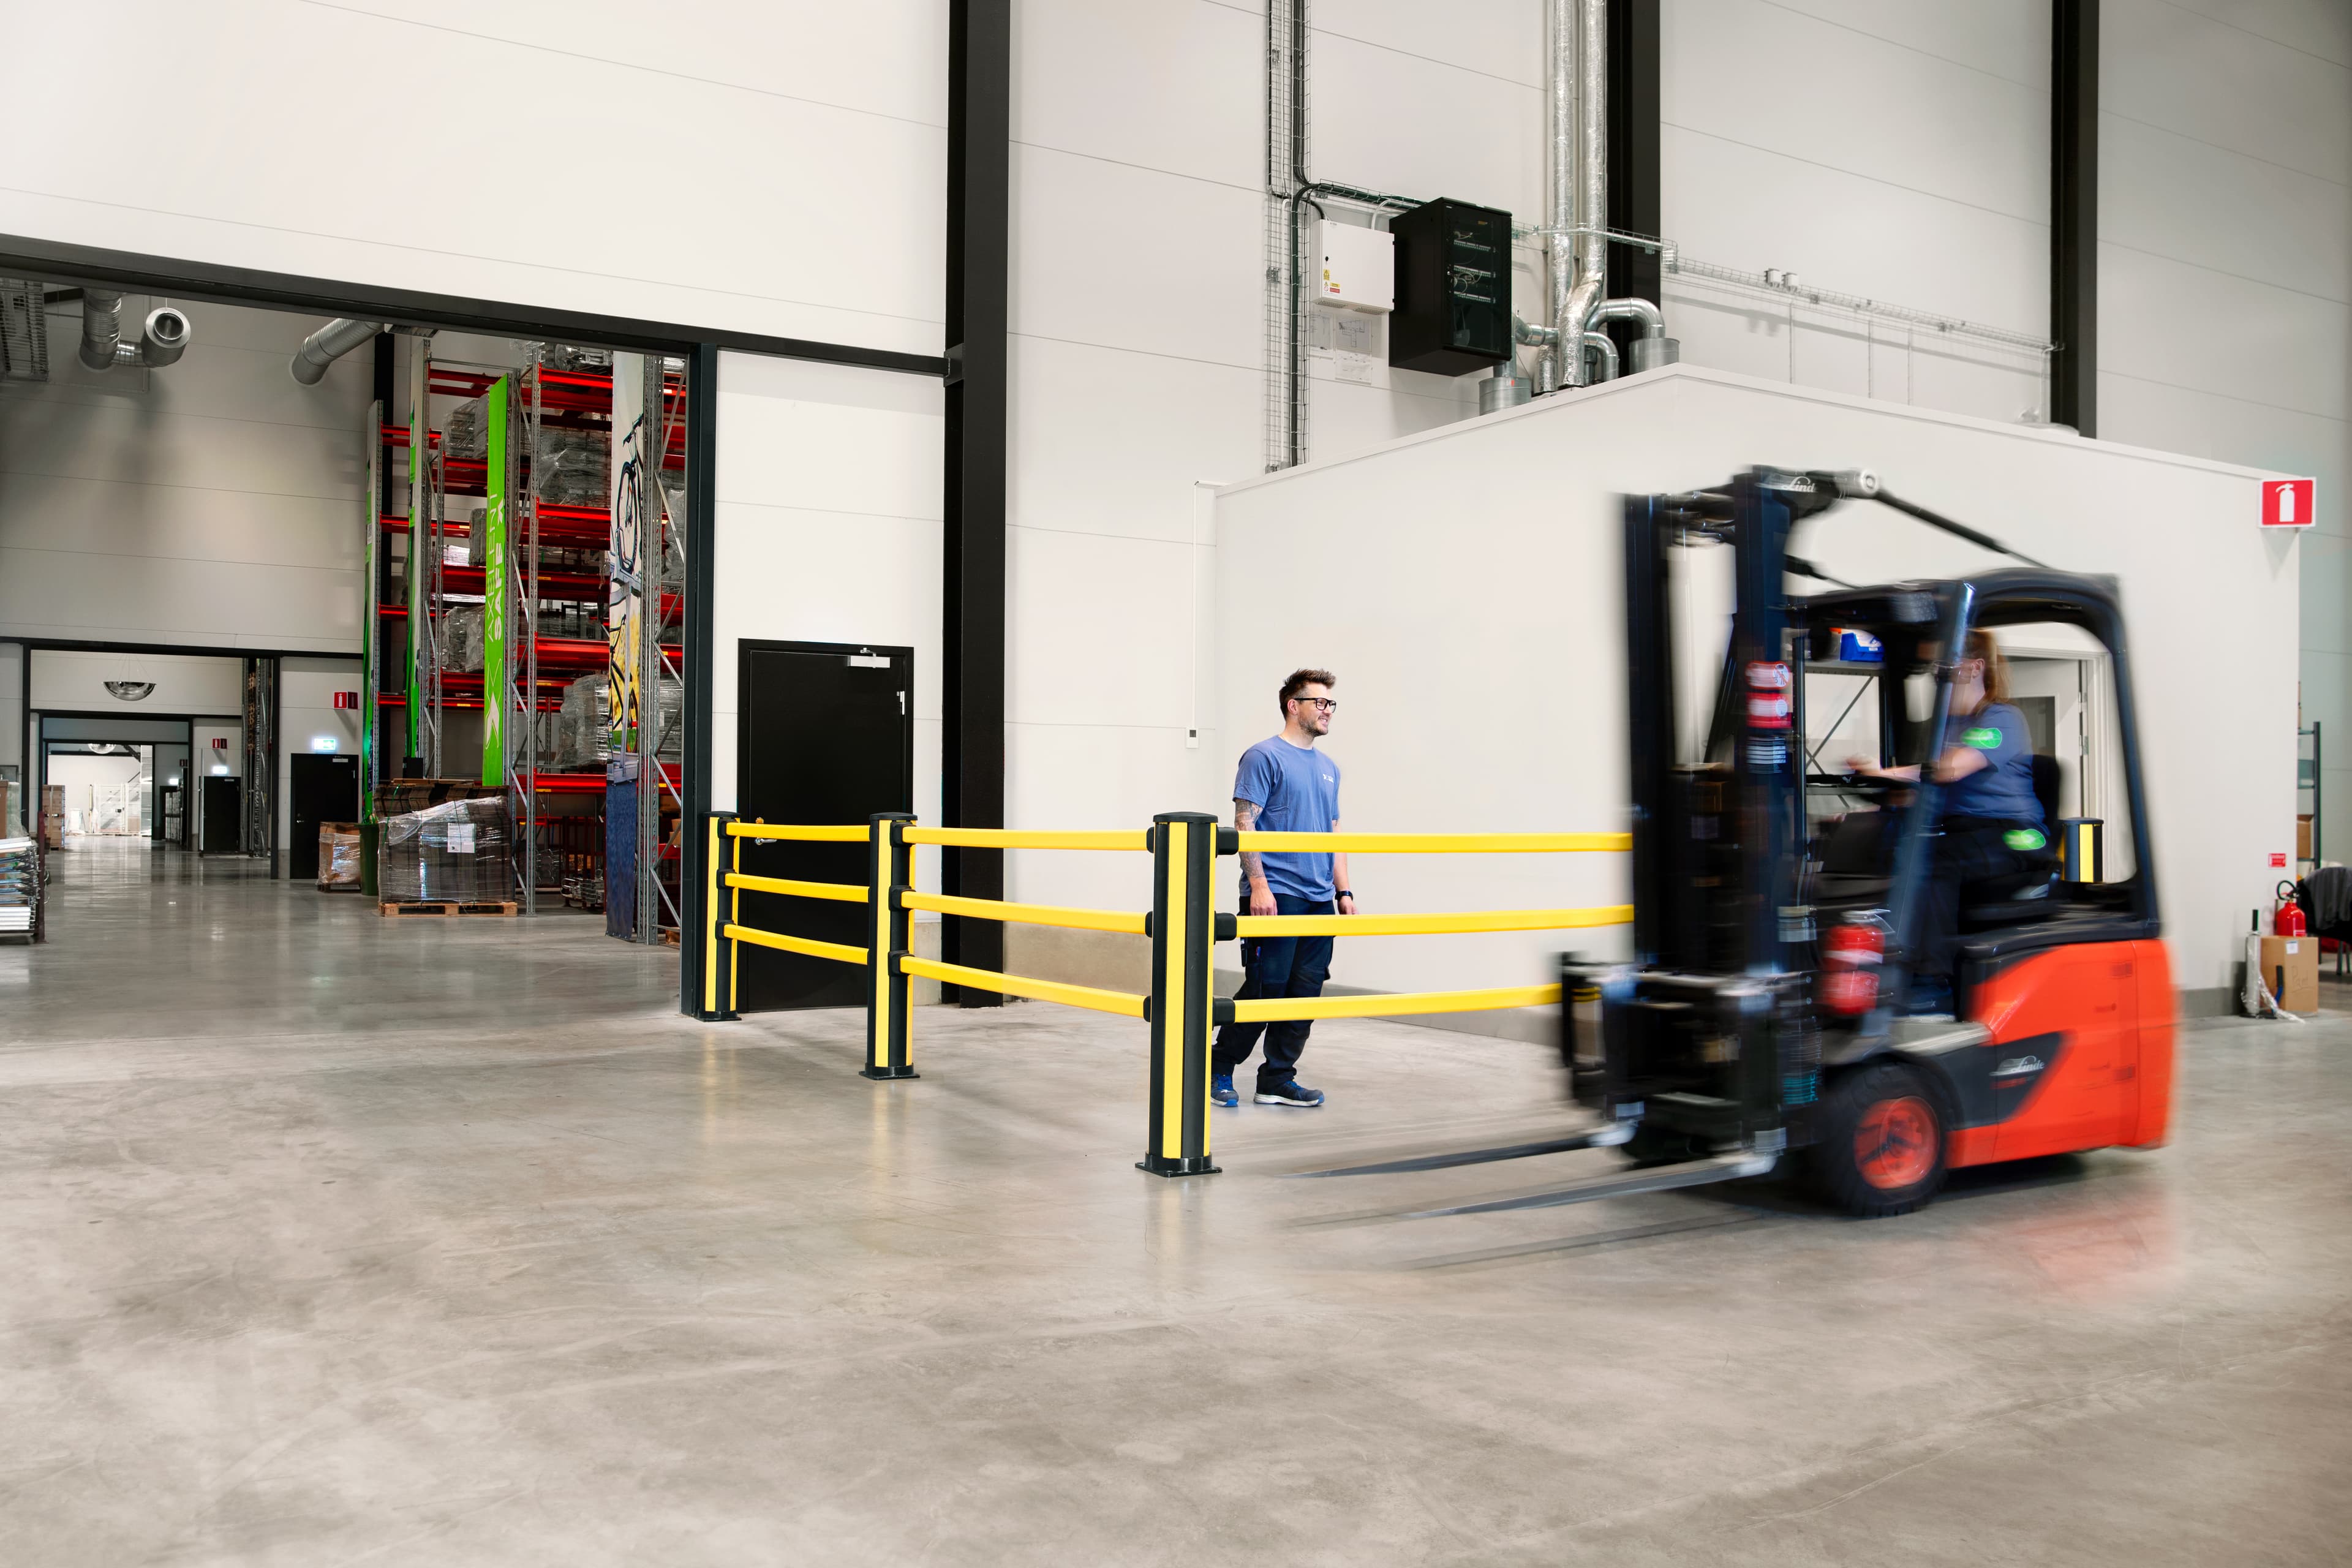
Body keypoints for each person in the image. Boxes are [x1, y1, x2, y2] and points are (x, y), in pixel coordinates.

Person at [1849, 628, 2047, 1016]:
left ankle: (1931, 983)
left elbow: (1952, 770)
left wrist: (1887, 773)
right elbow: (1921, 788)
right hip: (1960, 831)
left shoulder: (2001, 718)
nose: (1936, 675)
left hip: (2018, 835)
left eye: (1943, 666)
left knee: (1935, 860)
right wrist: (1871, 799)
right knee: (1884, 844)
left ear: (1974, 667)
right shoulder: (1940, 728)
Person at [1210, 668, 1355, 1108]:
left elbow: (1334, 834)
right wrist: (1258, 885)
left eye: (1332, 704)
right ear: (1294, 705)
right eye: (1320, 703)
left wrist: (1343, 892)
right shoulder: (1263, 756)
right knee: (1264, 989)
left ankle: (1277, 1078)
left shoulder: (1329, 768)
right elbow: (1244, 821)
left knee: (1305, 994)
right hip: (1274, 894)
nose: (1328, 711)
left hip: (1317, 898)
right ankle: (1218, 1067)